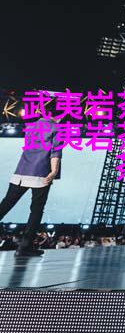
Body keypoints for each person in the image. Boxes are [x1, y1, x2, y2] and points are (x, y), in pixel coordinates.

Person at [0, 108, 62, 257]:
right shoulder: (57, 128)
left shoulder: (31, 126)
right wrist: (54, 171)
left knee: (6, 204)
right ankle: (24, 247)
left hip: (21, 171)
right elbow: (55, 153)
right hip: (41, 174)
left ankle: (25, 247)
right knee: (36, 210)